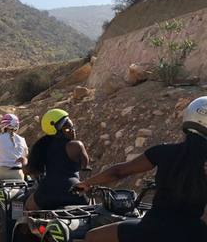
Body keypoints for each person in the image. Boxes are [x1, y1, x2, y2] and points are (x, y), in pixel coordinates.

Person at [73, 97, 207, 242]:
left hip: (152, 229)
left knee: (92, 237)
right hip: (194, 233)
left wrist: (87, 183)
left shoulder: (164, 151)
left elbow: (119, 171)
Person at [19, 109, 90, 210]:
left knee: (27, 209)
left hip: (47, 191)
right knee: (91, 213)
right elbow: (85, 166)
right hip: (73, 190)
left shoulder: (42, 146)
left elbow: (27, 171)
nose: (72, 130)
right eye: (67, 128)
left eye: (73, 127)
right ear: (56, 129)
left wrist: (23, 161)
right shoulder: (76, 146)